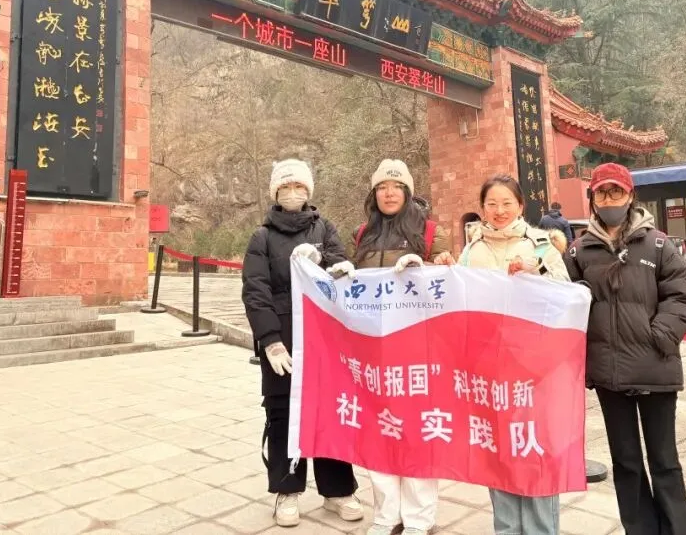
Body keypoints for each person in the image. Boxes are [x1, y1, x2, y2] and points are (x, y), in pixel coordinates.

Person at [564, 163, 686, 535]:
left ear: (630, 195)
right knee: (626, 462)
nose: (609, 200)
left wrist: (659, 337)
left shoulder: (658, 244)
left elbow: (681, 296)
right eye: (602, 193)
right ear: (592, 199)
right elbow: (564, 301)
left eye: (616, 192)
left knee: (664, 460)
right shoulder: (578, 251)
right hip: (609, 374)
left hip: (655, 367)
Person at [242, 159, 364, 528]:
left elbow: (342, 266)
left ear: (308, 191)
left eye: (299, 187)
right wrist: (269, 340)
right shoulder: (262, 237)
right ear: (275, 193)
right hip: (283, 338)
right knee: (282, 412)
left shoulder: (324, 228)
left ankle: (338, 489)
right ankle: (287, 489)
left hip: (323, 336)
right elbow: (255, 290)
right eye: (286, 187)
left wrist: (324, 260)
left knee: (329, 410)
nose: (293, 193)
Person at [456, 174, 568, 535]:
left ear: (520, 205)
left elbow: (567, 297)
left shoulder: (541, 246)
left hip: (534, 370)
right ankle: (506, 529)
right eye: (491, 204)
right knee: (499, 453)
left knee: (534, 450)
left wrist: (538, 273)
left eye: (507, 203)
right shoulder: (471, 251)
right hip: (488, 369)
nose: (499, 210)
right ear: (482, 208)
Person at [350, 159, 454, 535]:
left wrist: (431, 263)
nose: (389, 193)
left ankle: (419, 518)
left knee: (417, 431)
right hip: (374, 350)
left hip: (417, 350)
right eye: (382, 187)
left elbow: (448, 279)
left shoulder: (429, 231)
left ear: (408, 192)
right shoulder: (362, 234)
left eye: (396, 186)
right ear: (374, 194)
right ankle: (386, 515)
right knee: (379, 431)